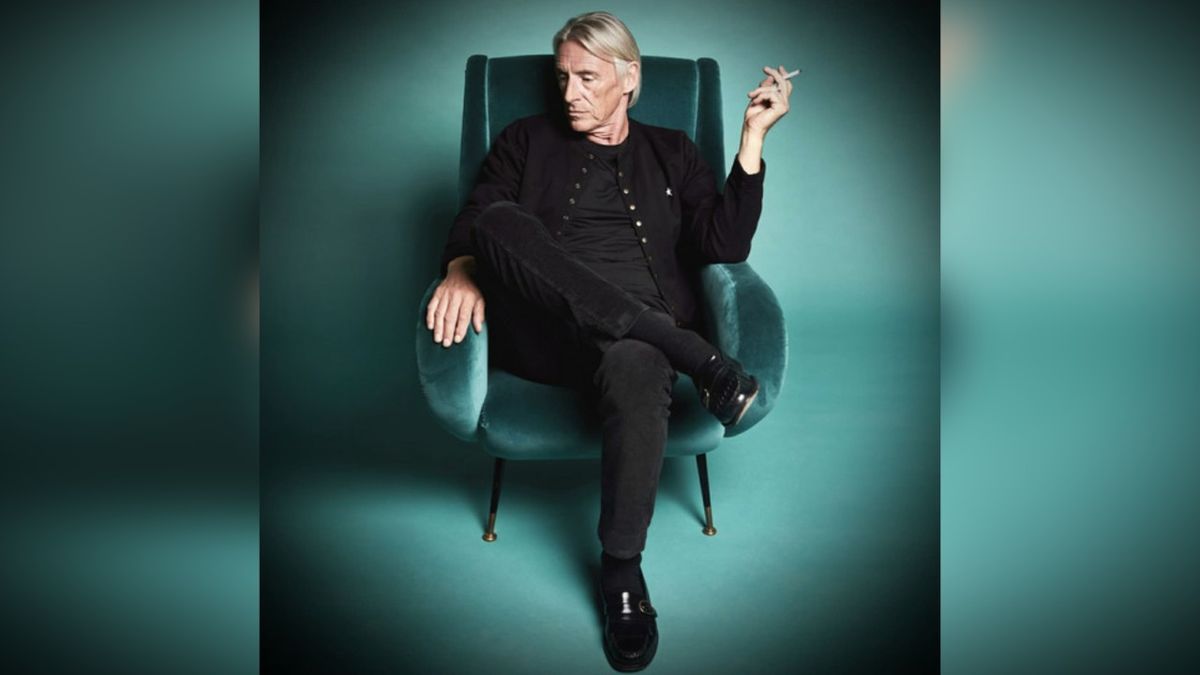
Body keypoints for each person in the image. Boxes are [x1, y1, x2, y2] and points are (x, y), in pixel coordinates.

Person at [425, 11, 792, 672]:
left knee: (638, 358)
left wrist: (752, 140)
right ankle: (702, 362)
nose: (570, 94)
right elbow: (477, 219)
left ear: (629, 78)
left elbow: (723, 244)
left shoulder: (673, 150)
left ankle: (622, 571)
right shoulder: (524, 139)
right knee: (499, 221)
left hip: (638, 350)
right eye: (563, 77)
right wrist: (459, 270)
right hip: (548, 337)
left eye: (587, 78)